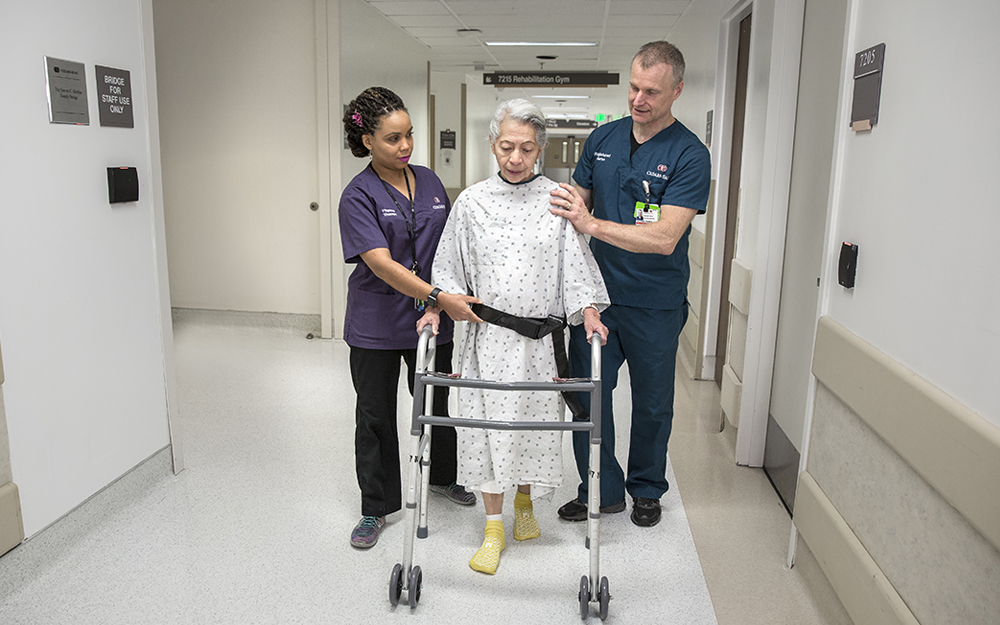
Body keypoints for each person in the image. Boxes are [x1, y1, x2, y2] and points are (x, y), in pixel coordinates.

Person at [418, 99, 609, 575]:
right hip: (487, 339)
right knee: (486, 432)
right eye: (507, 146)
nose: (516, 158)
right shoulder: (471, 202)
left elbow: (575, 266)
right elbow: (448, 268)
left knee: (532, 429)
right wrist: (437, 307)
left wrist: (587, 309)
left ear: (541, 148)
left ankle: (524, 504)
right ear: (492, 144)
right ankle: (494, 526)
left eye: (527, 148)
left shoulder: (558, 200)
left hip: (541, 345)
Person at [549, 41, 712, 528]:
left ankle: (646, 489)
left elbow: (664, 238)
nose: (639, 100)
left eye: (652, 92)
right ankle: (598, 488)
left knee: (653, 401)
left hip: (653, 302)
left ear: (677, 91)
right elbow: (571, 203)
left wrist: (592, 224)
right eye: (634, 88)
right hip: (596, 299)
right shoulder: (603, 138)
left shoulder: (689, 154)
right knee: (587, 394)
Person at [338, 87, 483, 549]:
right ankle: (374, 508)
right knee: (375, 414)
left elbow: (446, 245)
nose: (405, 147)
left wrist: (439, 301)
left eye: (409, 136)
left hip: (432, 318)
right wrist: (437, 293)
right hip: (376, 323)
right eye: (393, 139)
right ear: (367, 142)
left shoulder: (429, 181)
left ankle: (442, 477)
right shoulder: (357, 196)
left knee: (437, 405)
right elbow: (380, 262)